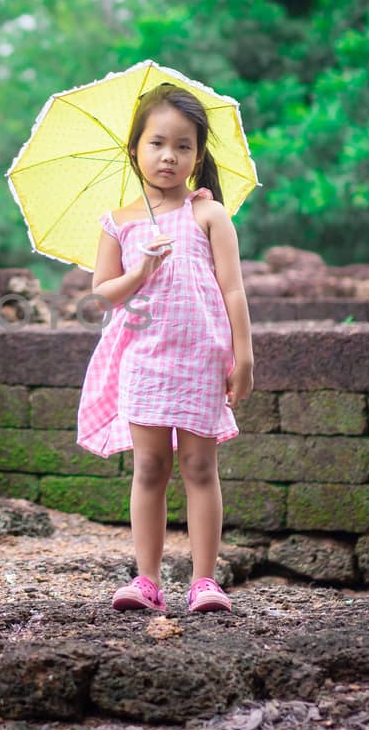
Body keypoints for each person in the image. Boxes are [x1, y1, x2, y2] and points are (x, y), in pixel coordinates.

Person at [75, 82, 254, 615]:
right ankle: (147, 580)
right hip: (144, 358)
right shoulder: (120, 222)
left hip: (200, 357)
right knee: (150, 467)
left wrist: (243, 357)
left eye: (183, 146)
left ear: (198, 156)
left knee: (200, 467)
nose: (168, 156)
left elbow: (234, 289)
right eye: (156, 143)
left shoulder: (209, 215)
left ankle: (204, 581)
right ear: (135, 149)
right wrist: (140, 269)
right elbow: (101, 293)